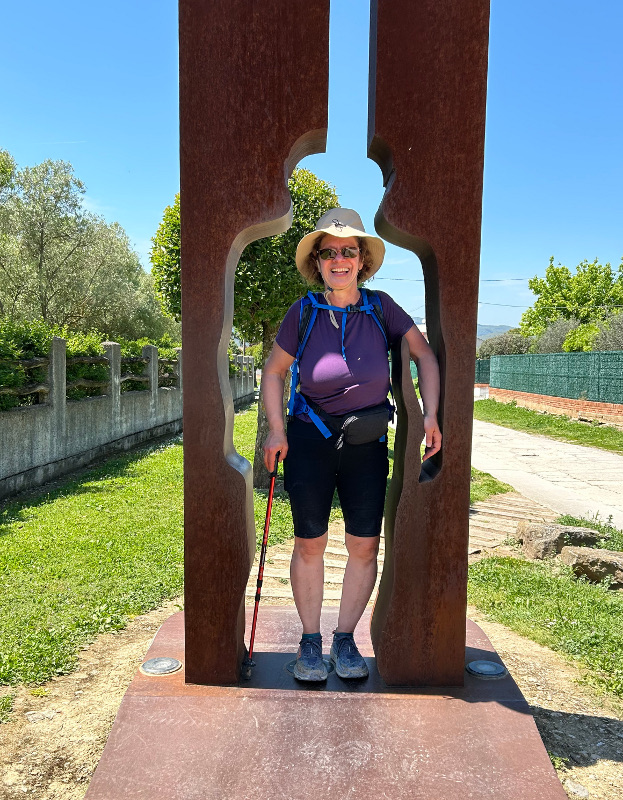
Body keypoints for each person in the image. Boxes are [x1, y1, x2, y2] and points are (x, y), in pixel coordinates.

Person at [262, 209, 441, 682]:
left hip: (366, 442)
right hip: (310, 438)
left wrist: (431, 414)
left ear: (362, 261)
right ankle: (310, 641)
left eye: (348, 251)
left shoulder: (382, 308)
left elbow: (425, 355)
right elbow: (274, 372)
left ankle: (344, 638)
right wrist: (277, 430)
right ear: (317, 262)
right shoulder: (302, 312)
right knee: (310, 542)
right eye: (329, 252)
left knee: (364, 544)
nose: (339, 259)